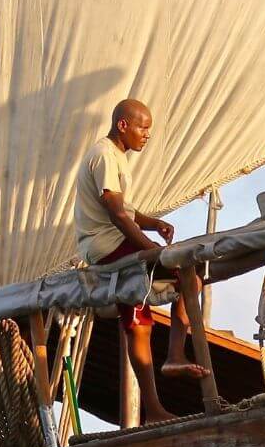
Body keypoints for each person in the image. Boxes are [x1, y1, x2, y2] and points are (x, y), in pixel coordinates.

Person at [74, 98, 210, 422]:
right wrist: (150, 249)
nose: (147, 135)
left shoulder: (115, 155)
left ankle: (153, 408)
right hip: (107, 245)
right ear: (123, 125)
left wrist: (153, 223)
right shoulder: (106, 155)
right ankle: (175, 355)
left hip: (112, 242)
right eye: (142, 128)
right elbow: (117, 213)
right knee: (187, 277)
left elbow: (127, 212)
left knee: (138, 323)